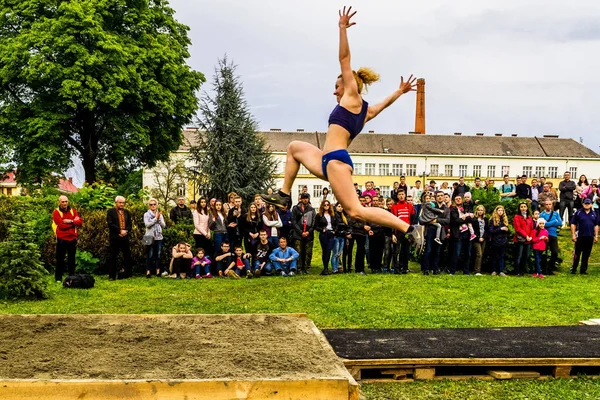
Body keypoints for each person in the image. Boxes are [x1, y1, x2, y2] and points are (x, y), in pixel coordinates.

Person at [260, 6, 421, 249]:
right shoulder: (366, 111)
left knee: (356, 211)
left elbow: (344, 59)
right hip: (327, 159)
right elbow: (383, 105)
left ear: (348, 86)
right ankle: (284, 194)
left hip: (336, 161)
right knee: (294, 147)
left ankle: (409, 228)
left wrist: (342, 29)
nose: (334, 90)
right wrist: (399, 91)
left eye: (337, 86)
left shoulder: (352, 98)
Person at [52, 195, 83, 282]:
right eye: (63, 202)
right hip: (62, 239)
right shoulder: (56, 212)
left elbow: (80, 222)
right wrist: (74, 222)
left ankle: (71, 277)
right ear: (59, 202)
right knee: (60, 259)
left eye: (66, 201)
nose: (65, 203)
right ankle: (58, 278)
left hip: (72, 238)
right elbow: (61, 226)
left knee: (72, 259)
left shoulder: (73, 211)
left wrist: (70, 221)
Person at [570, 198, 598, 275]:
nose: (587, 205)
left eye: (588, 204)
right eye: (585, 204)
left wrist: (596, 235)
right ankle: (574, 268)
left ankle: (583, 270)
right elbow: (573, 224)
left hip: (589, 236)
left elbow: (596, 225)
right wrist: (573, 234)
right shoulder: (578, 212)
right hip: (580, 235)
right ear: (583, 204)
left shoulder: (594, 213)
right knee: (577, 253)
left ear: (591, 204)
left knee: (586, 254)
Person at [106, 196, 132, 280]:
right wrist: (119, 231)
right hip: (115, 237)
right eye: (120, 202)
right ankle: (112, 275)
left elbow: (130, 224)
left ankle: (126, 273)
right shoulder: (111, 211)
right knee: (113, 256)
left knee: (127, 255)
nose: (122, 204)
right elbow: (110, 224)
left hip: (125, 237)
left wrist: (126, 231)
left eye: (123, 203)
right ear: (116, 202)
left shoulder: (127, 212)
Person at [143, 198, 166, 278]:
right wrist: (155, 219)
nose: (153, 206)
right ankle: (148, 272)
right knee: (149, 255)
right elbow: (147, 225)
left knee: (158, 255)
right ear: (149, 206)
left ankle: (158, 271)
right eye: (151, 204)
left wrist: (159, 219)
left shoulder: (160, 215)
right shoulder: (146, 214)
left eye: (154, 204)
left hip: (159, 236)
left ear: (157, 205)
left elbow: (163, 225)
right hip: (148, 236)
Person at [539, 199, 563, 274]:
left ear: (552, 205)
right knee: (543, 253)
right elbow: (543, 225)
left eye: (550, 204)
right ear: (544, 205)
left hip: (553, 235)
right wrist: (554, 222)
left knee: (555, 252)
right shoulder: (542, 214)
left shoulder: (556, 214)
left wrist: (548, 223)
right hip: (544, 235)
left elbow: (560, 223)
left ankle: (550, 268)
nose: (548, 206)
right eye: (547, 204)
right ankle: (543, 269)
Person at [489, 205, 510, 277]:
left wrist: (507, 230)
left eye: (502, 210)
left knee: (502, 256)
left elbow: (508, 232)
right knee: (494, 256)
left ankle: (501, 271)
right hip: (495, 241)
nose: (500, 212)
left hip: (503, 241)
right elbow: (491, 231)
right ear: (496, 211)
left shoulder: (505, 220)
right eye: (499, 210)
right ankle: (494, 270)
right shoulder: (492, 219)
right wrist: (500, 229)